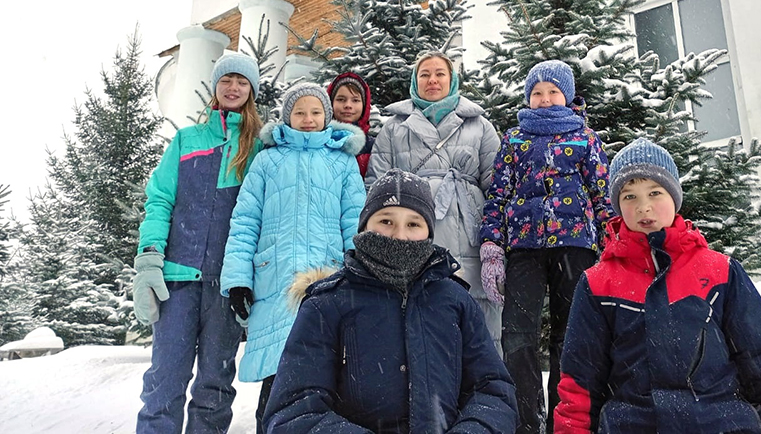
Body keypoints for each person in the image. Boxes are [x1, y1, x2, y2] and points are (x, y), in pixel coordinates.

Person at [553, 138, 761, 434]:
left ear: (674, 196)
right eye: (629, 197)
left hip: (721, 423)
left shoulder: (720, 271)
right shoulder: (597, 283)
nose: (644, 207)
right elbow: (579, 384)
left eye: (655, 192)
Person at [263, 169, 518, 433]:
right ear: (365, 226)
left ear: (428, 232)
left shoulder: (455, 300)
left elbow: (493, 392)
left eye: (413, 224)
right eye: (386, 221)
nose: (399, 235)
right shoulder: (326, 304)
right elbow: (293, 410)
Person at [219, 82, 367, 434]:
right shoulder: (268, 160)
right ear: (287, 117)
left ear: (327, 116)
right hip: (275, 279)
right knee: (277, 376)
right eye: (299, 112)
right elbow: (244, 221)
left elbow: (355, 222)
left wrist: (360, 274)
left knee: (326, 371)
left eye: (316, 112)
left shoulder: (342, 162)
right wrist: (238, 279)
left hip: (328, 279)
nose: (308, 119)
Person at [479, 60, 613, 434]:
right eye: (537, 92)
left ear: (567, 97)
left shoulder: (584, 138)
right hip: (524, 248)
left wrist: (611, 243)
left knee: (569, 333)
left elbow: (602, 195)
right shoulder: (514, 139)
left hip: (575, 247)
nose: (544, 99)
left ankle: (564, 417)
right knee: (517, 332)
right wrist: (492, 244)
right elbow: (498, 195)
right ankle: (525, 419)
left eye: (553, 91)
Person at [133, 52, 263, 434]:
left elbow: (261, 215)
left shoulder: (257, 146)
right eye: (227, 80)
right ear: (215, 87)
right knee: (164, 379)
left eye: (242, 81)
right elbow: (160, 199)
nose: (234, 87)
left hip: (225, 284)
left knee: (215, 385)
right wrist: (150, 259)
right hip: (177, 280)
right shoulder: (187, 140)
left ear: (252, 90)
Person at [367, 51, 502, 346]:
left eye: (440, 73)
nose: (432, 80)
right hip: (410, 233)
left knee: (477, 319)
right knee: (416, 323)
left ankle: (484, 387)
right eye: (424, 74)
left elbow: (497, 186)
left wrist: (495, 239)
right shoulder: (393, 128)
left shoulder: (479, 125)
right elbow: (376, 188)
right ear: (415, 80)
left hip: (468, 230)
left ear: (452, 80)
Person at [326, 71, 375, 178]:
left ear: (364, 105)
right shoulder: (318, 140)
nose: (348, 105)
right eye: (341, 99)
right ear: (330, 103)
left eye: (355, 100)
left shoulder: (374, 147)